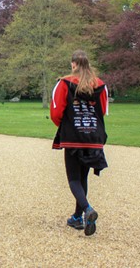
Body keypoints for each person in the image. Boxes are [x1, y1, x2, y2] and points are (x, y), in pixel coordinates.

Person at [49, 50, 109, 236]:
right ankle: (77, 217)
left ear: (73, 64)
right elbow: (104, 110)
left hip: (74, 135)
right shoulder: (100, 85)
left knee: (74, 179)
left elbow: (56, 111)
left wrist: (67, 126)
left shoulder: (64, 83)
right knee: (83, 178)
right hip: (93, 136)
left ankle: (88, 209)